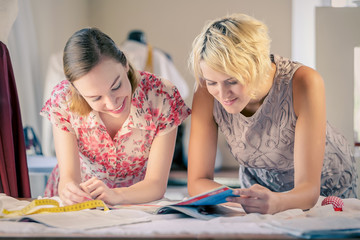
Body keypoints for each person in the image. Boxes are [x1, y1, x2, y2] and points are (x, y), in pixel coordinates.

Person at [187, 13, 358, 214]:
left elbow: (309, 190)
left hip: (327, 194)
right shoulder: (206, 91)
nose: (222, 94)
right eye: (212, 82)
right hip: (260, 197)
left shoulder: (304, 82)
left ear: (257, 66)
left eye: (232, 81)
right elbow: (197, 182)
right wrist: (241, 197)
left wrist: (275, 202)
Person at [40, 27, 191, 206]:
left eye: (116, 86)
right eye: (95, 98)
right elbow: (68, 178)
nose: (112, 104)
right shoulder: (64, 100)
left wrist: (116, 195)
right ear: (77, 90)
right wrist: (70, 190)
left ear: (125, 64)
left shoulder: (160, 95)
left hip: (138, 201)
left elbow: (156, 184)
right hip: (80, 205)